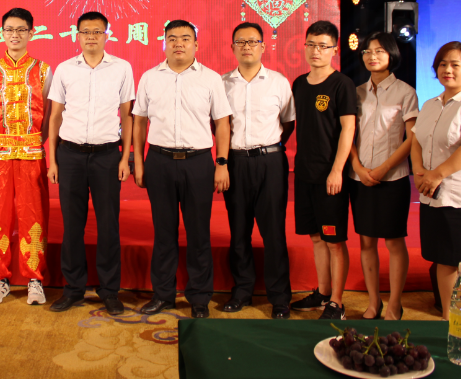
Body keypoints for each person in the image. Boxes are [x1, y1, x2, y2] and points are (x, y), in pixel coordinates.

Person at [132, 20, 232, 319]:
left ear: (196, 44)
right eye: (172, 38)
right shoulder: (150, 78)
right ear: (164, 43)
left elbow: (222, 123)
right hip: (159, 161)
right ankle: (163, 295)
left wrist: (222, 163)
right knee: (164, 232)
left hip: (198, 163)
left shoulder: (211, 79)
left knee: (199, 233)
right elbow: (139, 122)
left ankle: (199, 298)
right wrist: (139, 162)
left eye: (186, 38)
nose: (179, 43)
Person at [47, 11, 134, 315]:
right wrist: (53, 159)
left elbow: (127, 115)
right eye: (86, 32)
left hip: (107, 156)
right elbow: (55, 117)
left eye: (97, 31)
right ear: (77, 35)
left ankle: (109, 290)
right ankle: (73, 289)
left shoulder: (121, 68)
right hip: (69, 155)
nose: (91, 37)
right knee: (72, 225)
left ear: (106, 35)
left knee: (108, 224)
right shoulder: (65, 69)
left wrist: (125, 157)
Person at [411, 41, 461, 320]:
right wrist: (419, 170)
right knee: (444, 261)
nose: (447, 69)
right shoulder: (430, 104)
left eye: (455, 65)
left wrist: (436, 175)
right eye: (443, 64)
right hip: (433, 197)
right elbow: (416, 140)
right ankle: (448, 319)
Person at [220, 22, 295, 319]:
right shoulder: (222, 83)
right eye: (241, 42)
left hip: (270, 162)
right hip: (235, 162)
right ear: (232, 47)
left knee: (273, 232)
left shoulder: (278, 82)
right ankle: (242, 290)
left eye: (253, 41)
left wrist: (269, 148)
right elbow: (219, 125)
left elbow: (288, 121)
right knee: (239, 231)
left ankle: (279, 297)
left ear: (263, 46)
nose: (247, 46)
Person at [0, 8, 53, 305]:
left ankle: (35, 278)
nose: (15, 35)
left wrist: (35, 140)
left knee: (33, 214)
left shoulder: (44, 70)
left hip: (33, 152)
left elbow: (50, 113)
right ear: (1, 33)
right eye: (9, 29)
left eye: (21, 29)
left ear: (31, 33)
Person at [289, 20, 356, 320]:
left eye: (323, 46)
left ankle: (337, 303)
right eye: (311, 45)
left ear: (334, 50)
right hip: (304, 173)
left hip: (331, 176)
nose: (316, 51)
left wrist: (337, 170)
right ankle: (323, 292)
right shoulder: (299, 84)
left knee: (334, 241)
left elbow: (348, 129)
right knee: (316, 237)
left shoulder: (342, 84)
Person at [349, 32, 419, 321]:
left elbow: (412, 138)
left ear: (392, 55)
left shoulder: (405, 92)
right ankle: (373, 301)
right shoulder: (356, 92)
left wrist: (383, 168)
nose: (372, 56)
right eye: (367, 51)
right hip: (360, 177)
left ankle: (394, 304)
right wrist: (358, 167)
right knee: (366, 242)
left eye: (379, 51)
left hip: (393, 178)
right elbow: (348, 133)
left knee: (393, 242)